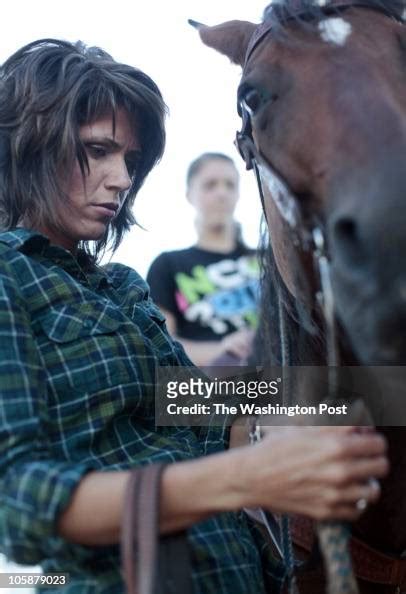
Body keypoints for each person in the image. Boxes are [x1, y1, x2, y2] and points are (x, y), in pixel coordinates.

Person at [0, 38, 388, 594]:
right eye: (98, 150)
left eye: (131, 160)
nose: (123, 179)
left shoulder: (121, 287)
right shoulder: (8, 277)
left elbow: (195, 409)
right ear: (29, 147)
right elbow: (16, 503)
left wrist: (355, 400)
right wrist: (244, 477)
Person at [147, 153, 258, 366]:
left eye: (230, 185)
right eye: (210, 185)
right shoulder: (168, 265)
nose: (222, 193)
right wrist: (223, 348)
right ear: (190, 194)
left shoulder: (268, 260)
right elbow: (161, 346)